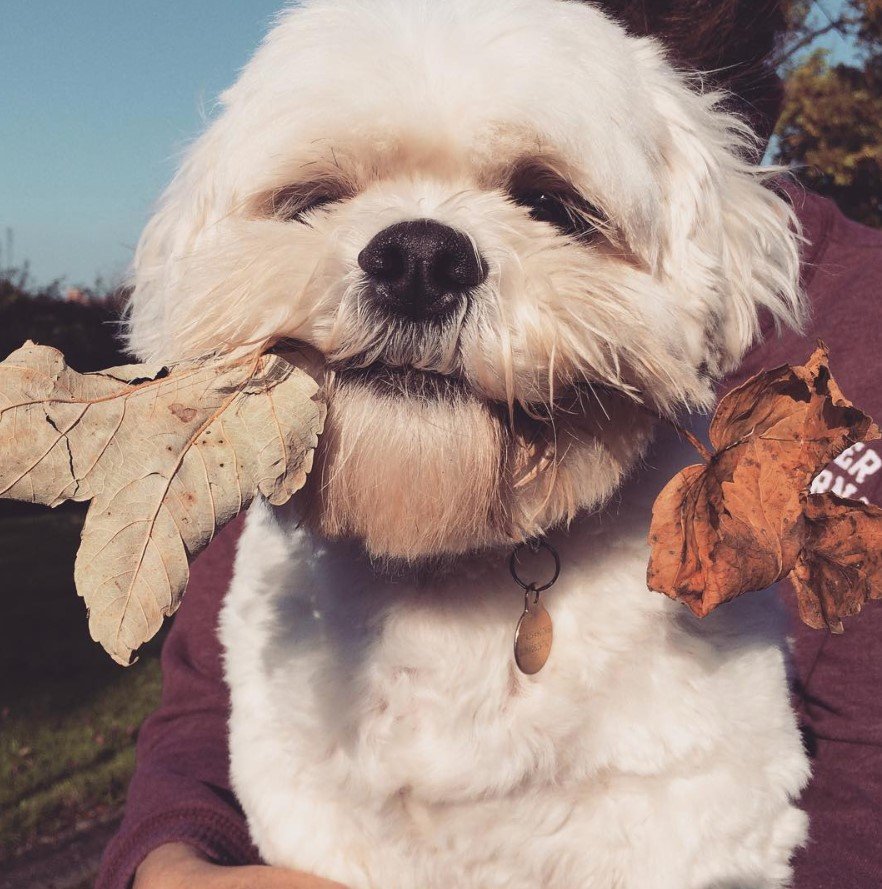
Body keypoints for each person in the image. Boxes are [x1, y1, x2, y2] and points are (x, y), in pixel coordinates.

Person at [97, 3, 882, 887]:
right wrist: (171, 861)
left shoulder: (860, 329)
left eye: (549, 205)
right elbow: (199, 713)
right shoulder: (280, 444)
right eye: (317, 199)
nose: (416, 258)